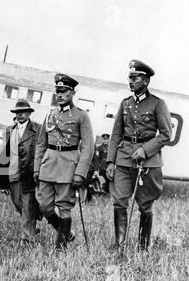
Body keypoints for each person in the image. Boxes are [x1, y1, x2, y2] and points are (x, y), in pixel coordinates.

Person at [106, 60, 172, 251]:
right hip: (124, 156)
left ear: (146, 81)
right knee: (119, 201)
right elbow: (116, 133)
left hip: (147, 160)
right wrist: (110, 161)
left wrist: (145, 150)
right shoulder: (125, 103)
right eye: (130, 77)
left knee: (145, 204)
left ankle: (143, 247)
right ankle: (120, 244)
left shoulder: (158, 104)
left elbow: (166, 134)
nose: (131, 81)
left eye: (135, 78)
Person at [34, 74, 94, 252]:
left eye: (64, 91)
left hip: (68, 166)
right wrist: (37, 167)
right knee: (44, 206)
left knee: (65, 207)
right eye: (58, 91)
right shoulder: (50, 114)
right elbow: (41, 143)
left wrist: (80, 173)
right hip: (49, 163)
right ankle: (67, 233)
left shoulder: (81, 116)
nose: (60, 95)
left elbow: (88, 147)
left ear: (72, 93)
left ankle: (60, 248)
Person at [0, 98, 42, 245]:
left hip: (28, 173)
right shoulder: (9, 130)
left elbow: (41, 151)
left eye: (23, 112)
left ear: (29, 113)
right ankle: (31, 225)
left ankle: (27, 237)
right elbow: (3, 154)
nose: (20, 115)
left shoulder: (38, 129)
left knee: (28, 204)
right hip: (12, 172)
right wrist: (3, 177)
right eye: (17, 112)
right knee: (17, 203)